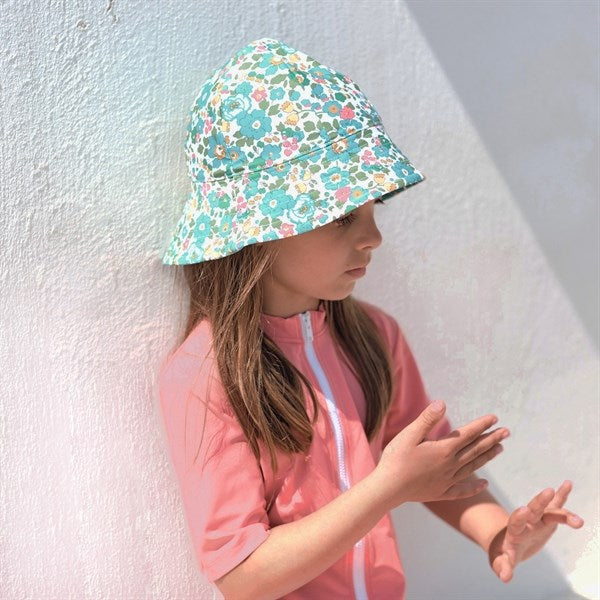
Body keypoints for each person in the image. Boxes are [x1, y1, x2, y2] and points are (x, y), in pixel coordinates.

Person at [157, 38, 583, 600]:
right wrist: (386, 488)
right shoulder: (207, 376)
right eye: (341, 217)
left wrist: (498, 533)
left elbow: (426, 467)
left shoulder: (374, 337)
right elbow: (242, 576)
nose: (373, 238)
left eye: (371, 209)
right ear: (258, 229)